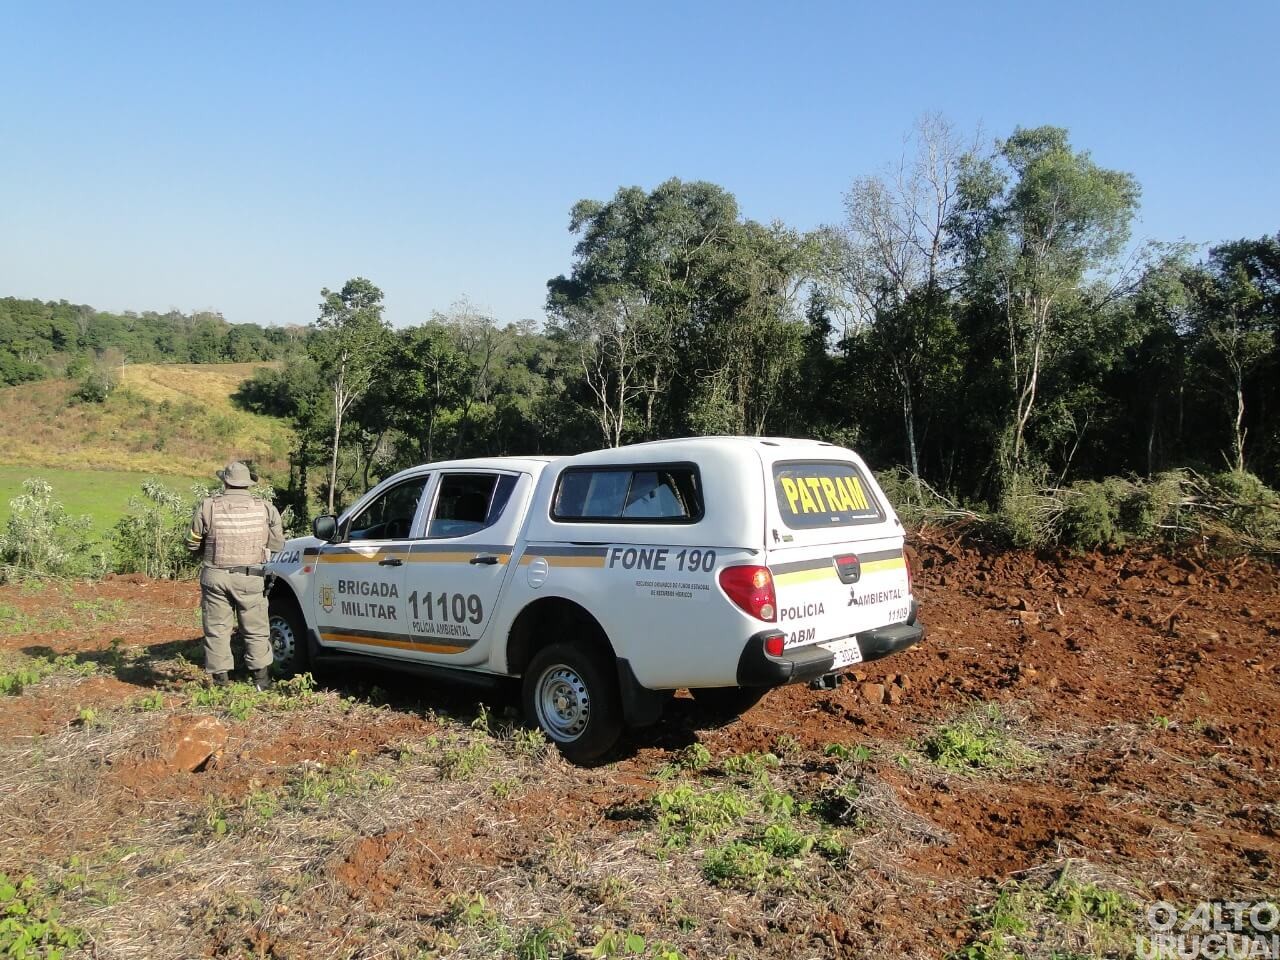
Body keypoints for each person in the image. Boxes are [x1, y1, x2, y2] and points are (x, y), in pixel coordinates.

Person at [186, 461, 284, 689]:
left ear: (225, 481)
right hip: (251, 577)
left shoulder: (208, 506)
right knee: (256, 630)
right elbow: (278, 544)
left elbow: (191, 543)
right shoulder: (266, 507)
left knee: (217, 630)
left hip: (215, 576)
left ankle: (221, 683)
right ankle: (261, 681)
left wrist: (203, 552)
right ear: (248, 483)